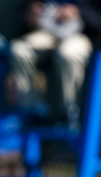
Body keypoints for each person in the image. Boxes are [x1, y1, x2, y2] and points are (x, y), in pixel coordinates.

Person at [9, 0, 93, 129]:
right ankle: (34, 111)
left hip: (82, 33)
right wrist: (29, 14)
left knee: (68, 54)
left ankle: (69, 112)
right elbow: (22, 13)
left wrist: (79, 11)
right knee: (19, 49)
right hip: (46, 33)